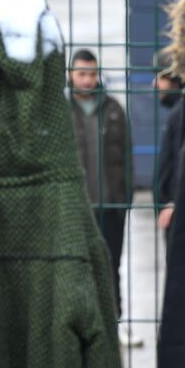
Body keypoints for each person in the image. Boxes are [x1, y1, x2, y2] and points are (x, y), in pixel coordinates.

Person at [67, 48, 134, 317]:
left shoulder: (113, 108)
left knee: (111, 265)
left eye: (92, 74)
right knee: (77, 268)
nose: (87, 80)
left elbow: (127, 157)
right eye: (81, 74)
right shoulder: (62, 111)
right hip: (77, 208)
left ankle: (115, 320)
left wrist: (124, 199)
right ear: (71, 75)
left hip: (110, 206)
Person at [152, 56, 185, 239]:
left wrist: (173, 201)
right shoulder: (177, 112)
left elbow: (182, 162)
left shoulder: (181, 114)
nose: (155, 84)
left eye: (160, 78)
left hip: (177, 211)